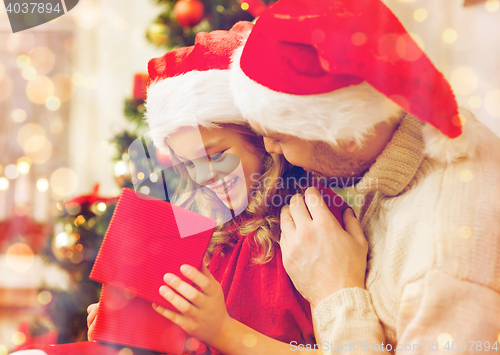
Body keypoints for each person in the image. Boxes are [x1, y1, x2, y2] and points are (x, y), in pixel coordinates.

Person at [229, 0, 500, 354]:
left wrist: (333, 291)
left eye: (279, 136)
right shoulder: (400, 134)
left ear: (344, 135)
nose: (271, 149)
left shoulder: (442, 266)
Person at [85, 21, 352, 355]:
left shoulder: (314, 222)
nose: (202, 177)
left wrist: (221, 330)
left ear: (260, 137)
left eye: (215, 155)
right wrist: (134, 332)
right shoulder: (204, 230)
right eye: (186, 163)